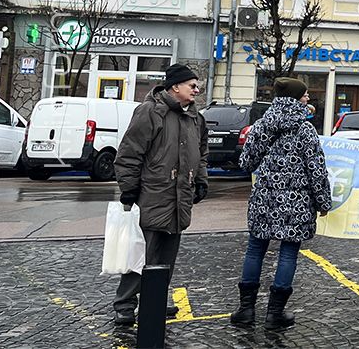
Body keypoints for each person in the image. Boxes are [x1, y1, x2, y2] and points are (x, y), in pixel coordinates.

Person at [229, 78, 332, 329]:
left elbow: (245, 163)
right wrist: (323, 202)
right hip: (296, 203)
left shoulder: (263, 124)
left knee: (255, 249)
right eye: (305, 95)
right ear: (296, 99)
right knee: (288, 253)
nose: (308, 99)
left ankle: (245, 311)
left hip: (264, 198)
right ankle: (275, 314)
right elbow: (316, 169)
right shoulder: (305, 130)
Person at [112, 64, 208, 326]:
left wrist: (200, 181)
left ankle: (156, 299)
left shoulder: (195, 118)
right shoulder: (150, 112)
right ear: (175, 86)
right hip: (151, 196)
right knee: (141, 255)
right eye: (192, 85)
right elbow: (129, 153)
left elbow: (201, 154)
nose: (197, 90)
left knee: (167, 258)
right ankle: (125, 304)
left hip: (180, 198)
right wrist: (128, 189)